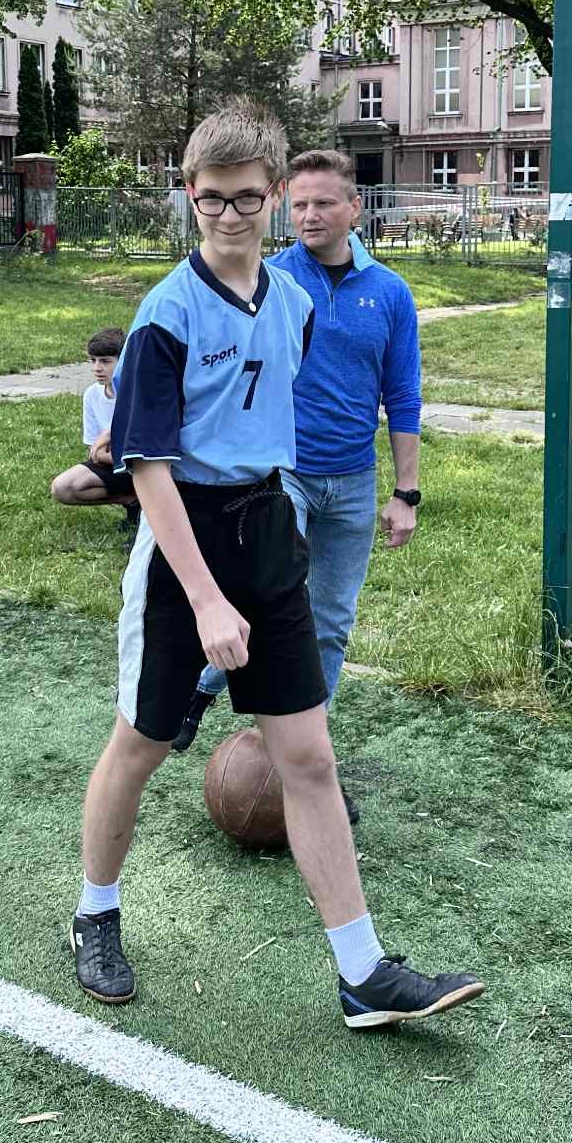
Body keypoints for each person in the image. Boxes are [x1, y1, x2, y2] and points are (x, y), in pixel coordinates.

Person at [69, 100, 483, 1032]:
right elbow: (149, 468)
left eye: (247, 198)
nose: (228, 216)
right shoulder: (166, 314)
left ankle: (363, 972)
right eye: (209, 198)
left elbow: (269, 425)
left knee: (308, 756)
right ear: (189, 194)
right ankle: (94, 913)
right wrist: (207, 599)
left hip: (268, 532)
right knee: (140, 744)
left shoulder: (292, 304)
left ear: (274, 193)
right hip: (183, 545)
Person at [171, 150, 422, 827]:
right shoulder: (272, 281)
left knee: (331, 621)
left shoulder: (389, 294)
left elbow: (402, 394)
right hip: (281, 476)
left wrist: (406, 490)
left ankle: (309, 758)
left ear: (355, 209)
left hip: (353, 481)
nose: (310, 215)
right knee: (267, 602)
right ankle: (200, 687)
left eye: (324, 203)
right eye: (301, 203)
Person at [50, 326, 138, 530]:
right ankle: (131, 499)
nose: (97, 368)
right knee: (62, 488)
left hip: (146, 466)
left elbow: (142, 451)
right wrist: (102, 453)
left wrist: (105, 442)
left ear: (124, 361)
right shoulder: (92, 394)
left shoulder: (136, 392)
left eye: (105, 361)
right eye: (93, 360)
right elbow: (93, 451)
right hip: (114, 462)